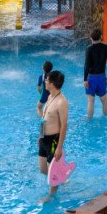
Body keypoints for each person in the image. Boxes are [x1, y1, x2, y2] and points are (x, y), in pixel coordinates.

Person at [38, 70, 68, 200]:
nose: (45, 81)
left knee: (51, 173)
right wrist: (40, 136)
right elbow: (44, 118)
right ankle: (59, 176)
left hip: (53, 140)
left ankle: (50, 196)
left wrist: (59, 147)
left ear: (52, 83)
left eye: (47, 80)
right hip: (44, 138)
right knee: (43, 169)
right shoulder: (50, 96)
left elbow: (64, 126)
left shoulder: (61, 102)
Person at [84, 28, 107, 118]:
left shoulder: (89, 49)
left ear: (91, 38)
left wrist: (85, 79)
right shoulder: (106, 47)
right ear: (101, 37)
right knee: (104, 99)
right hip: (101, 77)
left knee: (90, 101)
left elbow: (87, 65)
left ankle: (89, 119)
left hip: (91, 77)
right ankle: (105, 118)